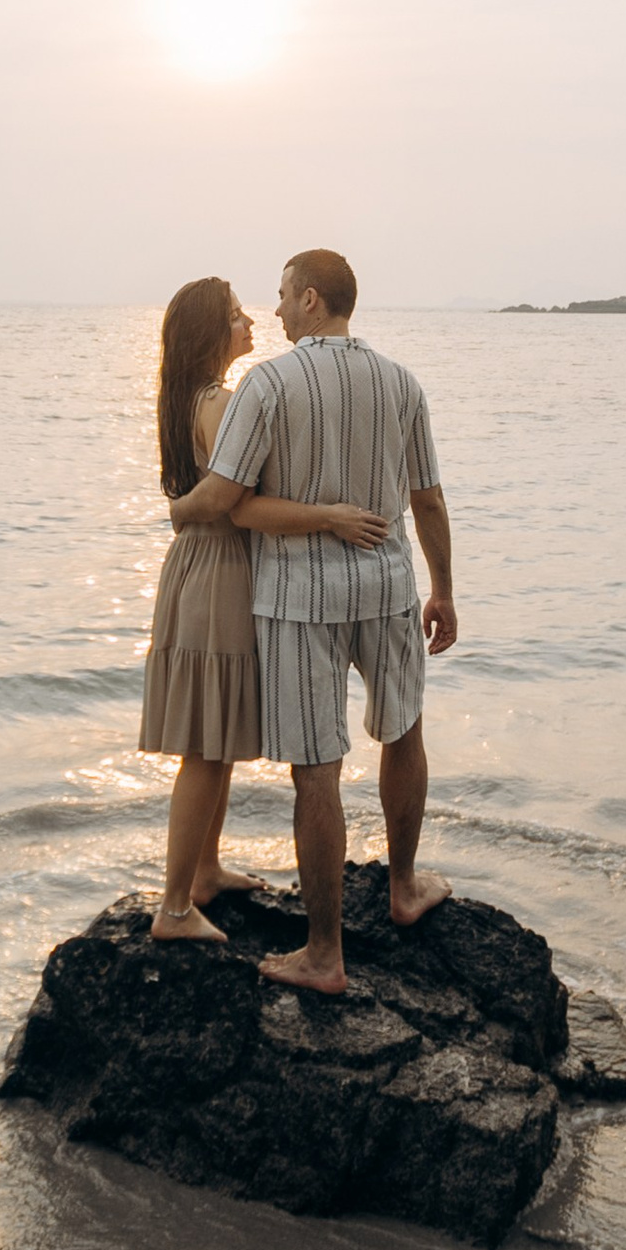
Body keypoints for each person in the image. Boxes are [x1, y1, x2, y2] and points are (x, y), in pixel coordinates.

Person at [166, 250, 456, 996]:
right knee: (404, 732)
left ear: (314, 300)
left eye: (285, 295)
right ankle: (404, 887)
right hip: (390, 585)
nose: (276, 309)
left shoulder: (268, 383)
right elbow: (426, 499)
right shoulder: (402, 382)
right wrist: (444, 590)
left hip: (298, 599)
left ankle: (324, 953)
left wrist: (177, 510)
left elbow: (229, 500)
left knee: (317, 772)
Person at [140, 276, 385, 943]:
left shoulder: (193, 398)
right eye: (236, 316)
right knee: (206, 747)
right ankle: (174, 908)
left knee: (214, 737)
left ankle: (204, 874)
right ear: (211, 332)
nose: (252, 322)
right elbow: (228, 497)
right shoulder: (218, 401)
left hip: (209, 566)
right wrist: (329, 516)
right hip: (218, 568)